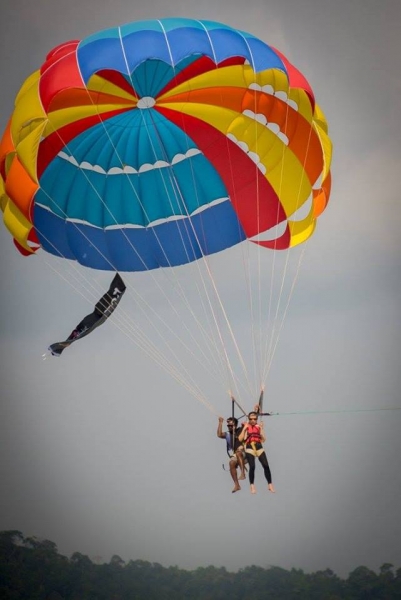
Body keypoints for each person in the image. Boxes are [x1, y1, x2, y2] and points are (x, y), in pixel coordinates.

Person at [238, 410, 275, 494]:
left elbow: (264, 439)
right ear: (249, 419)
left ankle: (270, 484)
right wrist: (244, 428)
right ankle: (252, 485)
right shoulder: (246, 427)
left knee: (266, 465)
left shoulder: (258, 426)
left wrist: (261, 428)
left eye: (255, 419)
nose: (253, 421)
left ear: (257, 419)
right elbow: (240, 439)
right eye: (251, 419)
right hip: (249, 447)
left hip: (259, 446)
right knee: (252, 466)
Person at [217, 416, 246, 493]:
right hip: (236, 454)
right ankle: (237, 485)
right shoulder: (228, 434)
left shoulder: (241, 429)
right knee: (231, 463)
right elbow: (219, 435)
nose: (229, 427)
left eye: (231, 425)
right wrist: (220, 422)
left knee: (239, 452)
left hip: (244, 453)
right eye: (228, 426)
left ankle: (243, 473)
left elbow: (251, 423)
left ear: (235, 425)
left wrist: (256, 410)